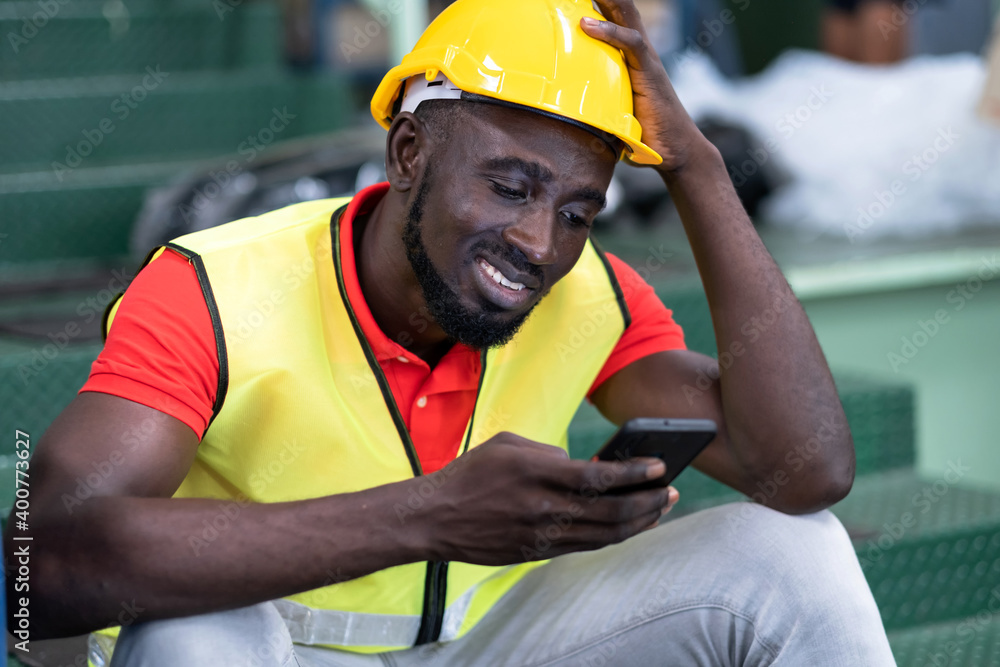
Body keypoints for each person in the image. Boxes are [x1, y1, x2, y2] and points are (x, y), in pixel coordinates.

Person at [9, 0, 897, 664]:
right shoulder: (215, 282)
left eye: (579, 211)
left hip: (487, 645)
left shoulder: (586, 290)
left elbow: (805, 469)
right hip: (280, 645)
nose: (540, 244)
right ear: (408, 156)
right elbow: (38, 561)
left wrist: (696, 166)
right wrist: (431, 516)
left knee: (791, 549)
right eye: (510, 187)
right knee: (194, 634)